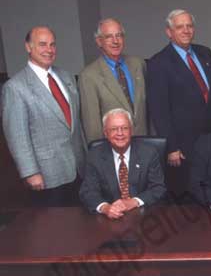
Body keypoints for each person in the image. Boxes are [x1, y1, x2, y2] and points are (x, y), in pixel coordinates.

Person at [1, 26, 86, 207]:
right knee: (53, 229)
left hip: (78, 168)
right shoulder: (15, 87)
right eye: (42, 44)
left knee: (81, 225)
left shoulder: (66, 76)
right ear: (28, 47)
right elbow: (17, 136)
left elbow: (76, 124)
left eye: (52, 44)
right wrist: (30, 172)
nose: (49, 50)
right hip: (47, 174)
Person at [146, 9, 211, 196]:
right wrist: (172, 147)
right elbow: (159, 109)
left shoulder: (204, 53)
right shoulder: (158, 63)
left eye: (189, 26)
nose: (186, 30)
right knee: (189, 197)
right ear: (169, 32)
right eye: (179, 27)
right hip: (183, 146)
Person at [79, 108, 166, 219]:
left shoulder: (148, 153)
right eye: (114, 129)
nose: (120, 133)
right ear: (105, 133)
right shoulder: (95, 155)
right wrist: (105, 208)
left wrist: (133, 202)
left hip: (144, 216)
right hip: (109, 217)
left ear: (131, 131)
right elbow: (88, 192)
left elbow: (158, 188)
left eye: (125, 128)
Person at [79, 18, 148, 144]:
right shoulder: (89, 76)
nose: (115, 41)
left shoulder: (138, 64)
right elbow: (92, 125)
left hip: (144, 144)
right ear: (99, 41)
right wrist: (100, 155)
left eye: (119, 35)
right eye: (109, 37)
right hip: (114, 148)